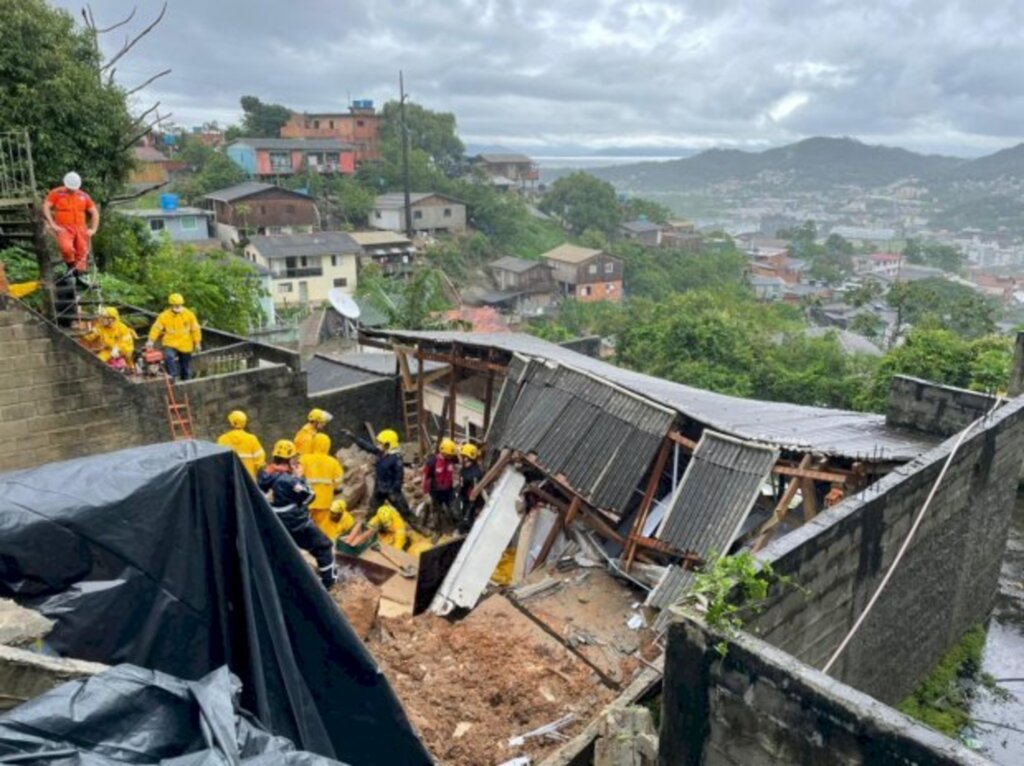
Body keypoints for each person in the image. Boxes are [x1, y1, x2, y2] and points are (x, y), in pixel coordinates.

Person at [257, 440, 335, 588]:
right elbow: (309, 496)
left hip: (274, 523)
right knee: (323, 547)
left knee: (283, 553)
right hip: (296, 523)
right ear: (289, 460)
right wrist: (300, 477)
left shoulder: (263, 474)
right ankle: (329, 582)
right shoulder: (289, 481)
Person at [42, 172, 99, 289]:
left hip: (80, 227)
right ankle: (71, 272)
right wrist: (52, 224)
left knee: (82, 252)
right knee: (66, 248)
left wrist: (93, 229)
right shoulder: (56, 193)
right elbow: (46, 206)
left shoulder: (84, 196)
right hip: (63, 227)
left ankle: (78, 278)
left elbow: (94, 212)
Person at [346, 427, 411, 517]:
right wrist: (353, 437)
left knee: (405, 512)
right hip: (379, 489)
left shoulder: (396, 458)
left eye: (380, 443)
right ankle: (367, 527)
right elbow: (367, 446)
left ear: (388, 444)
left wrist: (395, 491)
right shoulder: (381, 452)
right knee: (372, 512)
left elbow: (399, 477)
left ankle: (419, 527)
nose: (378, 445)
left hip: (391, 490)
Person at [146, 293, 201, 382]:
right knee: (169, 357)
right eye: (176, 305)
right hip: (170, 342)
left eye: (179, 305)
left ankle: (186, 381)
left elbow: (195, 329)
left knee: (185, 366)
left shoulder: (189, 315)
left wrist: (197, 342)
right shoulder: (164, 316)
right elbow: (156, 328)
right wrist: (151, 340)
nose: (178, 307)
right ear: (171, 305)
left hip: (185, 343)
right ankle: (172, 377)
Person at [299, 432, 345, 537]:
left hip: (308, 499)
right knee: (324, 526)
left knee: (305, 523)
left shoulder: (304, 459)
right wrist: (335, 488)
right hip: (325, 500)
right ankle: (326, 545)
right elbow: (338, 480)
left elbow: (297, 477)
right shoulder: (333, 462)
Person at [216, 410, 265, 479]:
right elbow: (260, 461)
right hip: (249, 481)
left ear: (231, 423)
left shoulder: (223, 439)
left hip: (231, 481)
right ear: (244, 423)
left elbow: (218, 462)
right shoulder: (252, 439)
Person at [422, 437, 458, 531]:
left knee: (454, 509)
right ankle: (438, 530)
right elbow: (425, 477)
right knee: (437, 513)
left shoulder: (452, 459)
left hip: (449, 491)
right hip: (436, 492)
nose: (451, 456)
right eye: (450, 455)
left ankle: (456, 527)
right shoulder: (432, 461)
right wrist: (426, 493)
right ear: (444, 452)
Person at [457, 442, 485, 534]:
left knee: (468, 525)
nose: (460, 458)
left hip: (470, 504)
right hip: (463, 499)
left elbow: (475, 493)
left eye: (462, 456)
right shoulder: (464, 469)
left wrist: (471, 508)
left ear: (467, 458)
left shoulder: (474, 474)